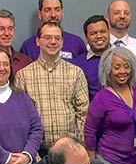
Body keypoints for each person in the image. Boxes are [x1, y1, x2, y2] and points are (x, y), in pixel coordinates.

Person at [15, 22, 89, 156]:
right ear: (38, 41)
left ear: (62, 42)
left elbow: (83, 113)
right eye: (48, 37)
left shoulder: (76, 73)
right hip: (38, 151)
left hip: (69, 151)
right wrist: (30, 152)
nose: (53, 42)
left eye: (57, 38)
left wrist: (80, 145)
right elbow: (21, 118)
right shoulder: (23, 75)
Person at [84, 47, 136, 164]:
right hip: (111, 162)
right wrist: (92, 163)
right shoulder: (102, 97)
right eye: (117, 67)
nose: (122, 71)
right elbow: (89, 131)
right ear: (108, 70)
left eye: (126, 66)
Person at [19, 0, 86, 61]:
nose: (53, 15)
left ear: (62, 13)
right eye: (47, 10)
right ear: (40, 14)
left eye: (57, 10)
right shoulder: (28, 46)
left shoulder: (77, 43)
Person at [71, 15, 111, 101]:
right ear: (86, 37)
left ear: (109, 32)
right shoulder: (77, 65)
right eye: (93, 33)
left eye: (103, 31)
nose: (99, 36)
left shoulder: (124, 58)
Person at [106, 0, 136, 67]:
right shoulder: (96, 47)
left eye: (126, 13)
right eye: (117, 13)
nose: (122, 16)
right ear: (107, 17)